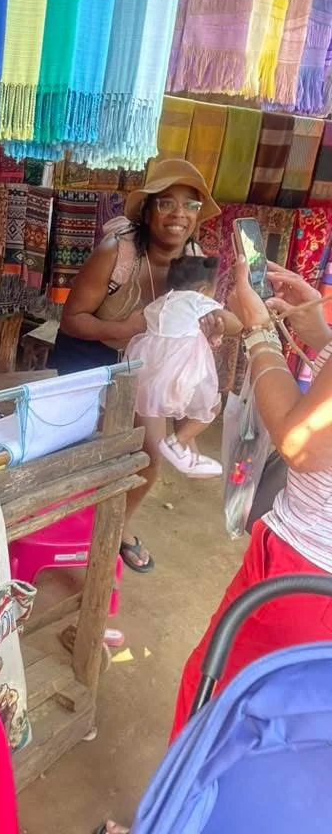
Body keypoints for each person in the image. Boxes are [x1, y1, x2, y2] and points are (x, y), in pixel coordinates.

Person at [169, 257, 332, 740]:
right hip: (305, 561)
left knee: (220, 702)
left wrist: (260, 333)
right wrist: (321, 336)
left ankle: (177, 816)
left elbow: (303, 444)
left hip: (306, 571)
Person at [50, 159, 224, 571]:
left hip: (145, 369)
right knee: (85, 450)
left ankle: (117, 529)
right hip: (92, 357)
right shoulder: (118, 254)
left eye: (190, 205)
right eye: (166, 203)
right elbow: (72, 320)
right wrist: (124, 326)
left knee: (149, 453)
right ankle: (68, 529)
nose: (179, 214)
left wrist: (215, 325)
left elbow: (209, 318)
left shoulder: (197, 262)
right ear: (147, 212)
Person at [126, 255, 241, 478]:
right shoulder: (197, 300)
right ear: (203, 288)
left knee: (170, 409)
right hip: (182, 371)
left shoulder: (158, 303)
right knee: (210, 408)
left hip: (147, 375)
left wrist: (212, 333)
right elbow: (234, 324)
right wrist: (233, 323)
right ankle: (178, 443)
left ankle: (187, 456)